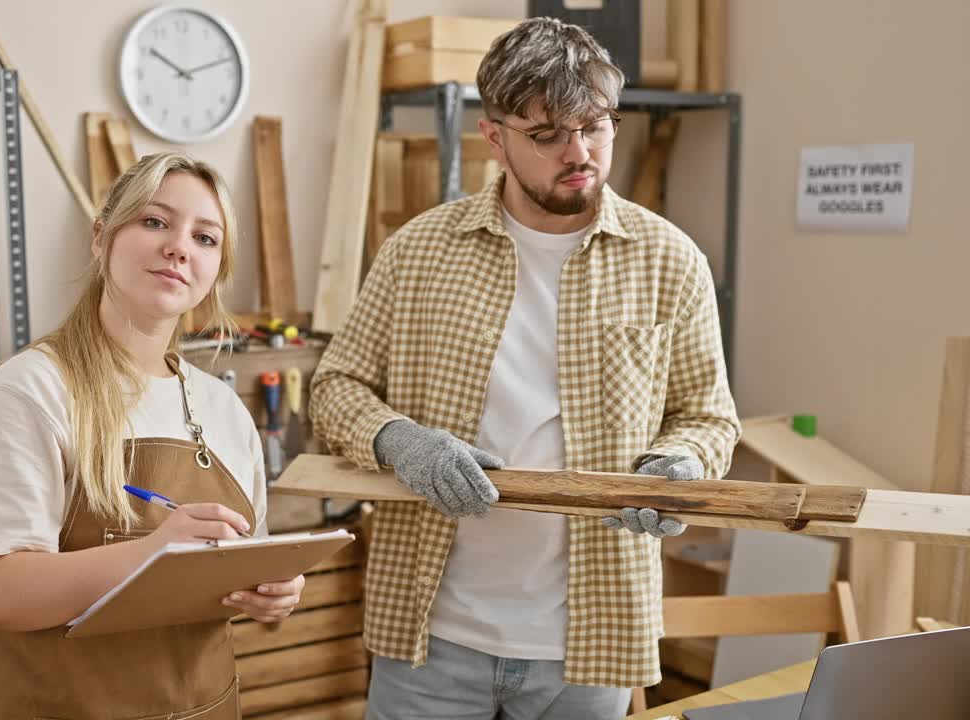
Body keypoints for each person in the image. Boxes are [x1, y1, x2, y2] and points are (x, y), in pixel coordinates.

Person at [310, 17, 740, 720]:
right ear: (494, 137)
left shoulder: (670, 261)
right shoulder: (419, 251)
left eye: (597, 127)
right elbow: (335, 387)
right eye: (547, 135)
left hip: (588, 640)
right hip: (431, 634)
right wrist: (399, 441)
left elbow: (708, 415)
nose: (580, 153)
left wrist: (679, 466)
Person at [0, 152, 305, 720]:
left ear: (215, 271)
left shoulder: (223, 409)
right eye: (155, 222)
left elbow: (239, 573)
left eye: (205, 238)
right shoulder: (28, 393)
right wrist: (155, 552)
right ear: (101, 237)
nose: (179, 247)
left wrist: (270, 596)